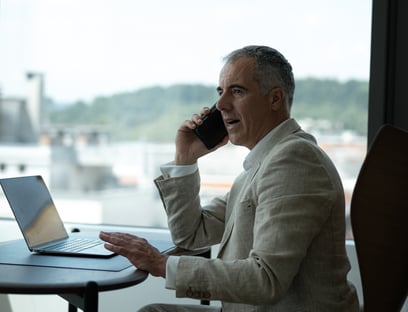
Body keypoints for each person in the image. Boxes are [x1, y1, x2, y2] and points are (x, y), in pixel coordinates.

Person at [99, 45, 359, 311]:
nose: (221, 105)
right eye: (220, 93)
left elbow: (265, 279)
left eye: (237, 91)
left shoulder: (294, 161)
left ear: (275, 99)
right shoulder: (263, 164)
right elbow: (190, 235)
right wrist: (185, 157)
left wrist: (161, 264)